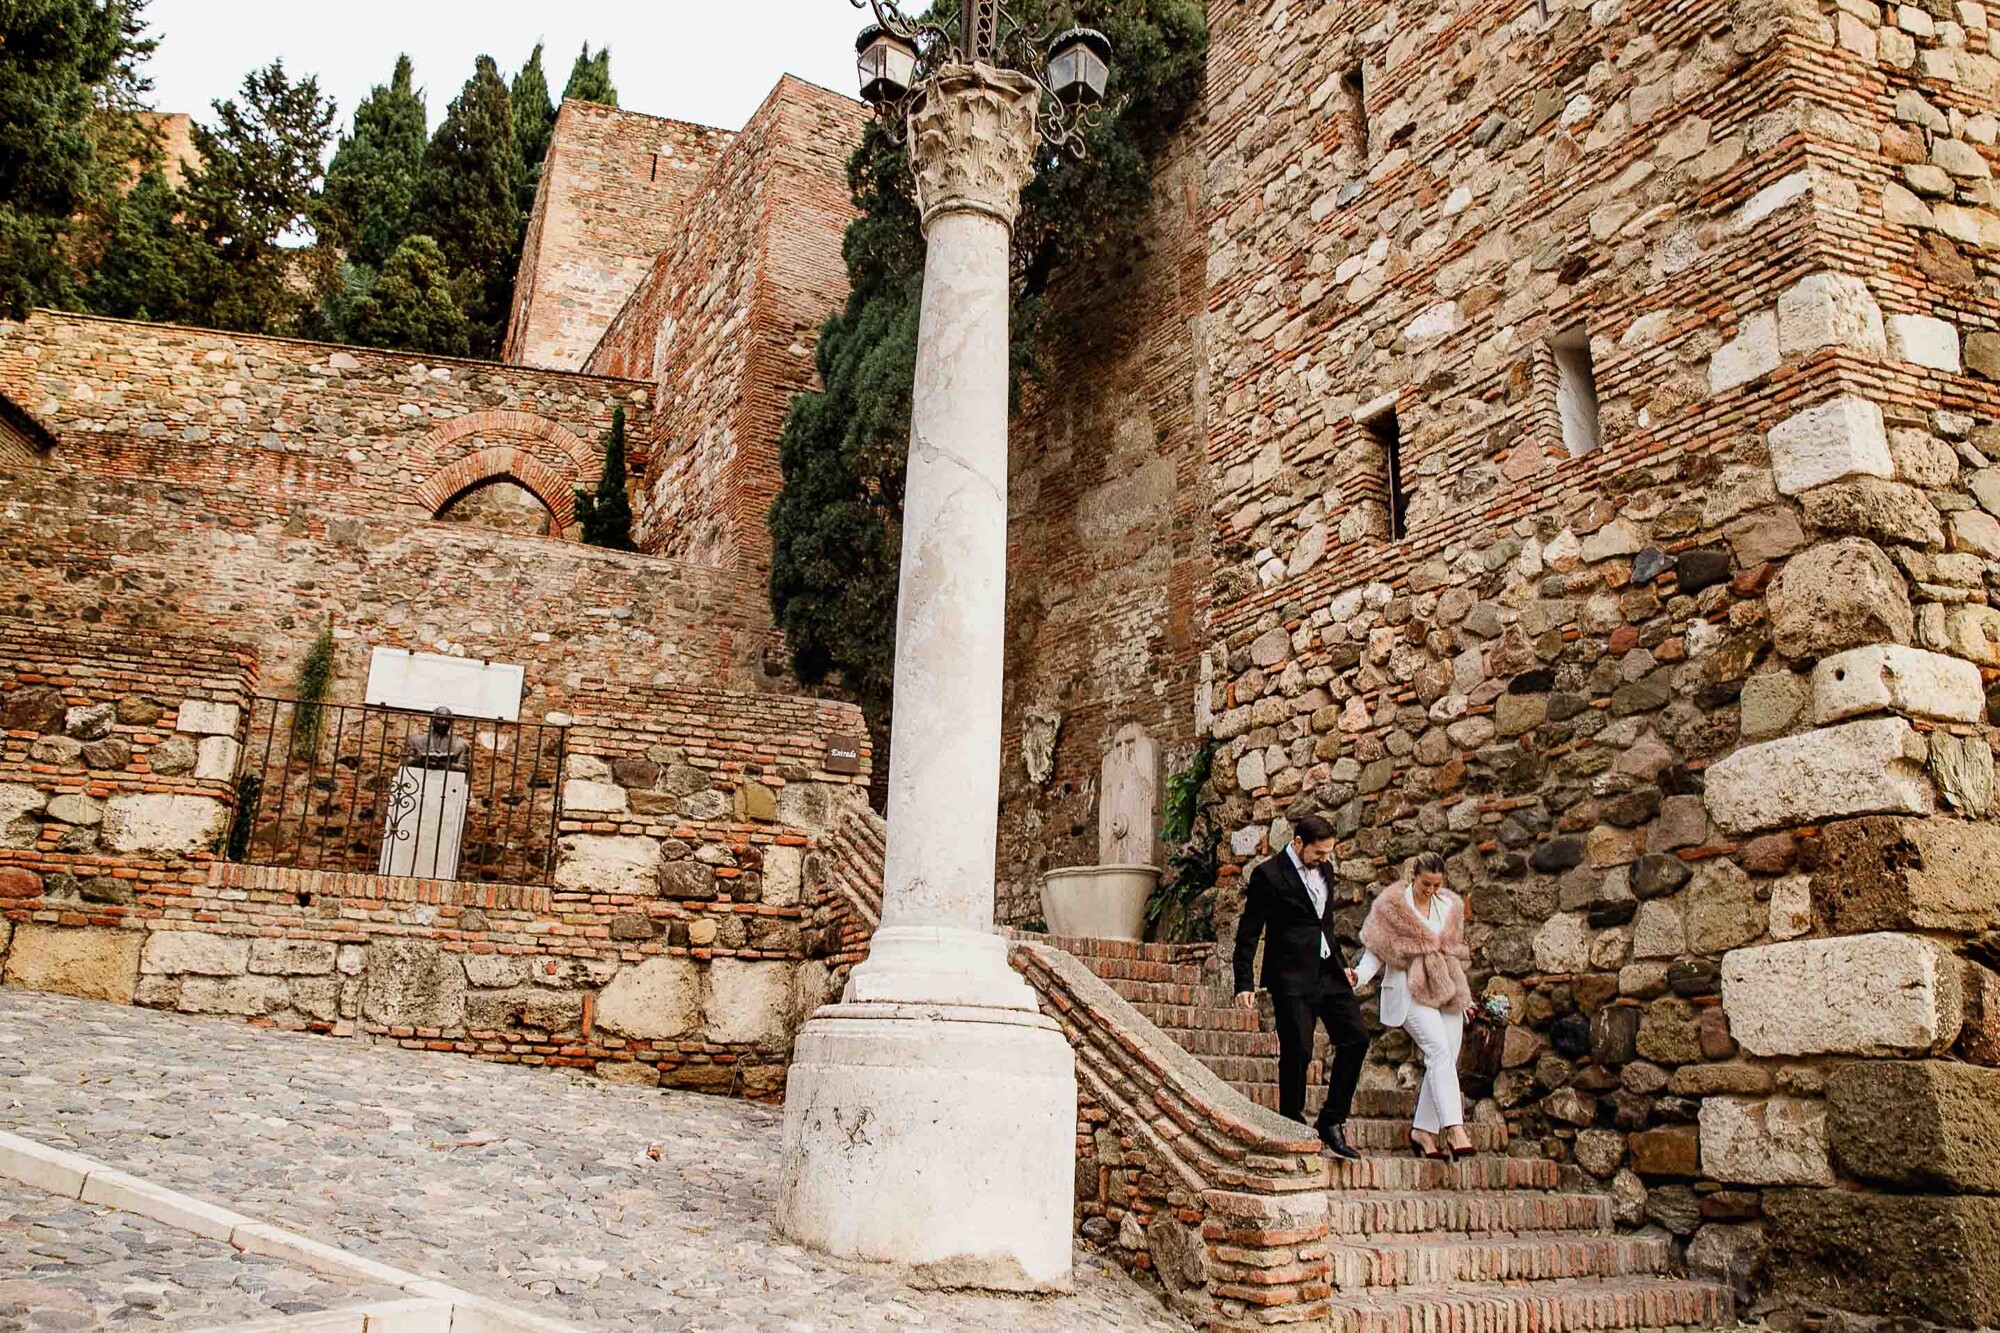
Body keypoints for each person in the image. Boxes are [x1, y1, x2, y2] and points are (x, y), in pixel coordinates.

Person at [1231, 814, 1370, 1160]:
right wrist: (1243, 982)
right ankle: (1291, 1122)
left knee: (1356, 1039)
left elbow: (1325, 924)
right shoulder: (1268, 875)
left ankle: (1332, 1121)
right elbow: (1249, 930)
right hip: (1290, 976)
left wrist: (1341, 963)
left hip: (1329, 973)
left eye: (1328, 853)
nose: (1324, 859)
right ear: (1297, 843)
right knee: (1299, 1051)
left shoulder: (1326, 870)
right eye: (1318, 852)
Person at [1353, 851, 1476, 1160]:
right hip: (1409, 990)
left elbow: (1451, 955)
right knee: (1438, 1050)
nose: (1431, 890)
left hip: (1446, 989)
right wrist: (1358, 976)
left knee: (1446, 1058)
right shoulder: (1392, 907)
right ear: (1413, 876)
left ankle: (1423, 1130)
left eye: (1437, 885)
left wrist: (1466, 997)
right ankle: (1455, 1128)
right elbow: (1376, 950)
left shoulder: (1449, 906)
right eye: (1426, 884)